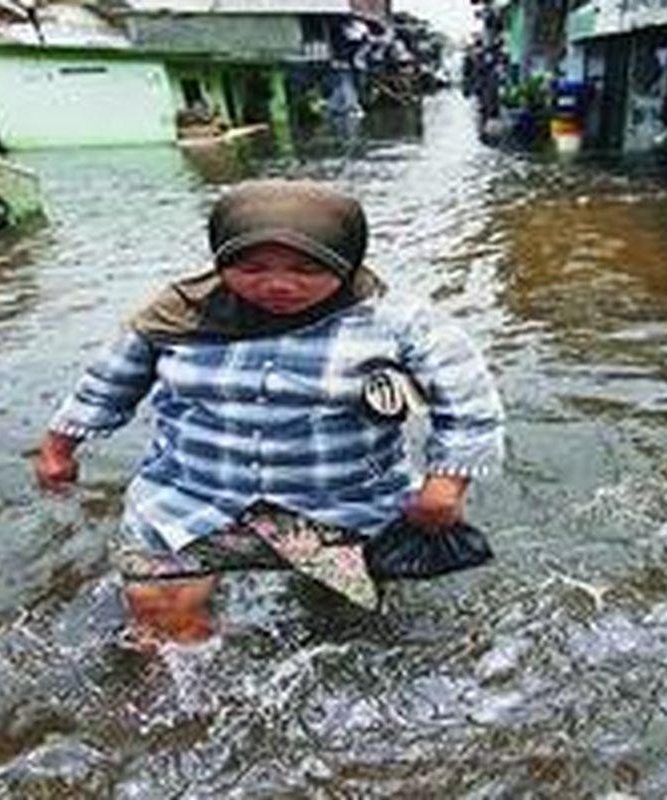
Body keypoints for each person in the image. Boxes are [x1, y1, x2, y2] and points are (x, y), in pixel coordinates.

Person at [35, 180, 504, 646]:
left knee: (348, 629)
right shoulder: (175, 314)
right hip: (190, 499)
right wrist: (59, 449)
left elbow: (468, 402)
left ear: (345, 262)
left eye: (307, 269)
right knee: (162, 622)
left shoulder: (399, 322)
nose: (279, 284)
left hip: (341, 504)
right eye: (252, 268)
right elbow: (107, 384)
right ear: (221, 261)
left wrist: (445, 487)